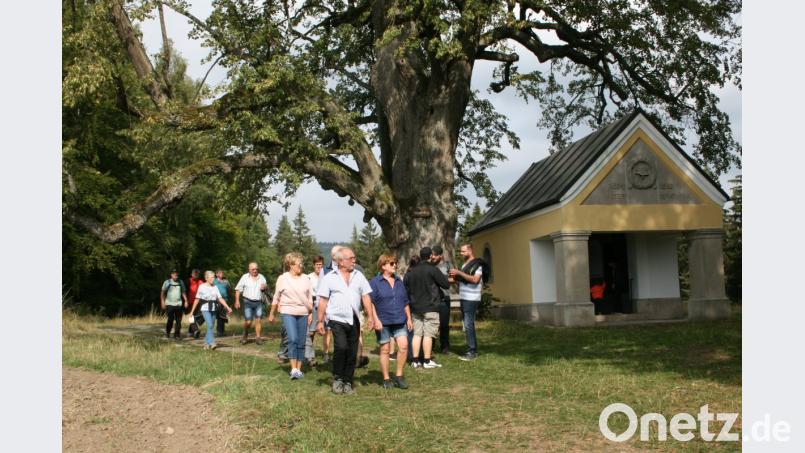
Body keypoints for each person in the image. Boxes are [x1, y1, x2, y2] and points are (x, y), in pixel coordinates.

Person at [316, 247, 380, 395]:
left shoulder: (359, 275)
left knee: (352, 351)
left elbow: (366, 297)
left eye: (354, 258)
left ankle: (348, 380)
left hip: (354, 318)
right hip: (337, 319)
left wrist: (370, 316)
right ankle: (338, 378)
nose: (354, 261)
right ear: (340, 261)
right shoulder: (329, 278)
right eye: (351, 258)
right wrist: (320, 321)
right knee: (341, 347)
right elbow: (323, 301)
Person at [369, 253, 412, 389]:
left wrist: (409, 319)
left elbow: (405, 301)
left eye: (395, 263)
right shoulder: (375, 282)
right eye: (392, 263)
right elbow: (371, 303)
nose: (395, 265)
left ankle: (399, 376)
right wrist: (376, 320)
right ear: (383, 266)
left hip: (400, 320)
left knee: (404, 346)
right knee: (385, 350)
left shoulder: (399, 281)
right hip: (383, 321)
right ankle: (386, 378)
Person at [268, 253, 314, 379]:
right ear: (291, 265)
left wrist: (310, 313)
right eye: (298, 264)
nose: (301, 266)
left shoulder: (306, 278)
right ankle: (293, 368)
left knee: (301, 341)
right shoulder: (283, 279)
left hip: (303, 312)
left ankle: (298, 369)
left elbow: (310, 298)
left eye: (301, 263)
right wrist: (272, 313)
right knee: (292, 339)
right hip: (288, 312)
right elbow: (276, 297)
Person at [404, 247, 450, 369]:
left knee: (417, 334)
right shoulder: (432, 269)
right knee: (428, 334)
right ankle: (427, 360)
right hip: (430, 307)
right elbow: (446, 284)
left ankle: (415, 360)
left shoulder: (411, 271)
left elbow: (406, 289)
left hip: (415, 307)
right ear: (430, 256)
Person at [449, 243, 483, 361]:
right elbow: (463, 281)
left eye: (463, 251)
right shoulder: (465, 265)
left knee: (468, 324)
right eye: (460, 251)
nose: (461, 254)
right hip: (464, 298)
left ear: (470, 251)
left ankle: (472, 351)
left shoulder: (477, 265)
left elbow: (475, 280)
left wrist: (459, 273)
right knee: (467, 324)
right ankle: (471, 349)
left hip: (471, 299)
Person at [189, 270, 233, 350]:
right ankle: (212, 342)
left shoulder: (215, 287)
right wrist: (192, 311)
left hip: (214, 308)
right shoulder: (202, 286)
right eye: (212, 277)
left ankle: (206, 343)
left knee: (211, 326)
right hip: (205, 308)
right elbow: (197, 299)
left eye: (213, 277)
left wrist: (227, 307)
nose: (213, 279)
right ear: (206, 278)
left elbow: (220, 298)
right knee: (209, 325)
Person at [318, 245, 343, 364]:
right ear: (334, 256)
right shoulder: (325, 270)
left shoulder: (344, 268)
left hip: (340, 306)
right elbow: (321, 290)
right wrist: (321, 309)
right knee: (327, 331)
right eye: (340, 252)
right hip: (328, 306)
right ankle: (326, 353)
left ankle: (339, 355)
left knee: (339, 333)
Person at [234, 262, 268, 345]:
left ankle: (258, 338)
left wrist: (265, 287)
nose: (255, 271)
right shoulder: (244, 277)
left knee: (258, 320)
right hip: (247, 302)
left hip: (258, 302)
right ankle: (245, 334)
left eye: (256, 269)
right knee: (248, 321)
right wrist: (237, 301)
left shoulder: (261, 277)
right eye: (253, 269)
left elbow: (265, 288)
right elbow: (238, 289)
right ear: (249, 269)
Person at [430, 245, 453, 353]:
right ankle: (431, 346)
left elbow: (453, 279)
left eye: (435, 255)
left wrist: (440, 279)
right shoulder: (429, 266)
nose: (433, 257)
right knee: (432, 324)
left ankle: (445, 347)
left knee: (444, 325)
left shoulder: (447, 265)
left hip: (445, 298)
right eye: (432, 255)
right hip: (432, 299)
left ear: (441, 255)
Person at [304, 255, 324, 366]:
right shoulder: (309, 277)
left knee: (325, 331)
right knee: (310, 332)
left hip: (323, 303)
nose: (319, 267)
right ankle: (308, 355)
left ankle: (326, 354)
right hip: (312, 303)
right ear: (313, 265)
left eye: (320, 265)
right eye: (317, 265)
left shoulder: (326, 276)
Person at [160, 269, 188, 339]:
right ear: (171, 275)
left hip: (178, 304)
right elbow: (162, 293)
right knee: (170, 319)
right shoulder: (167, 282)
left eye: (177, 274)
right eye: (175, 274)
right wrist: (162, 302)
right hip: (169, 304)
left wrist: (186, 301)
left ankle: (177, 335)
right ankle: (167, 333)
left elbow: (183, 292)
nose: (176, 276)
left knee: (178, 321)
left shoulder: (180, 282)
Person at [187, 269, 204, 338]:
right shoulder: (188, 281)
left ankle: (191, 331)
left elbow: (204, 289)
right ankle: (195, 330)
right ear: (191, 274)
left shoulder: (200, 282)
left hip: (198, 302)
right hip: (190, 302)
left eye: (197, 274)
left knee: (198, 316)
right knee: (192, 316)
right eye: (194, 274)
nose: (196, 275)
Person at [213, 269, 231, 337]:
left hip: (225, 300)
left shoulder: (225, 281)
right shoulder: (214, 281)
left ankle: (221, 331)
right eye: (220, 273)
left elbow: (229, 290)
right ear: (216, 274)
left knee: (223, 316)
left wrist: (228, 298)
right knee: (218, 316)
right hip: (216, 300)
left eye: (222, 273)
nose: (221, 274)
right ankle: (219, 331)